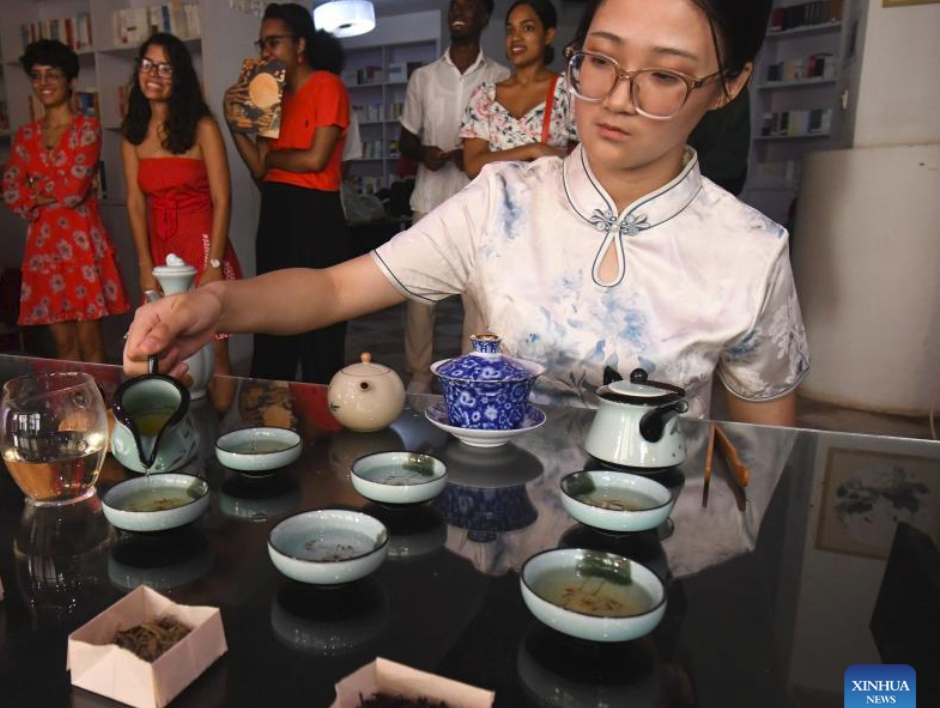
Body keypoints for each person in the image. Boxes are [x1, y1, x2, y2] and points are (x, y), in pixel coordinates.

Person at [125, 0, 809, 427]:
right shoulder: (503, 200)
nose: (617, 98)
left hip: (657, 563)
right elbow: (335, 287)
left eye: (664, 75)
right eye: (599, 61)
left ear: (730, 85)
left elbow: (762, 455)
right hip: (498, 534)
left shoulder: (749, 252)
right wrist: (212, 305)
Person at [222, 3, 351, 385]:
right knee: (273, 319)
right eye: (262, 44)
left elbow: (315, 159)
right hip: (276, 214)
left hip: (316, 216)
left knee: (320, 325)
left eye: (274, 42)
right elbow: (261, 169)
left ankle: (324, 421)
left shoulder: (327, 85)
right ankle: (269, 426)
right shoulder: (268, 99)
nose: (266, 52)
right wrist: (235, 127)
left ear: (300, 45)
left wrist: (275, 157)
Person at [120, 32, 243, 404]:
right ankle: (184, 429)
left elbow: (223, 198)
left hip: (201, 240)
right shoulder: (133, 133)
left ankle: (221, 432)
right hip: (159, 245)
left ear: (181, 76)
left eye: (165, 67)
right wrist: (144, 263)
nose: (153, 74)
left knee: (216, 344)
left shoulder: (202, 127)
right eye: (146, 64)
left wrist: (214, 263)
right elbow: (134, 203)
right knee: (165, 343)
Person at [398, 0, 509, 394]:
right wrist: (423, 152)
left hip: (479, 204)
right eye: (453, 6)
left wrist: (475, 156)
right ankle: (419, 373)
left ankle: (467, 372)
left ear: (484, 17)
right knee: (418, 293)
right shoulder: (424, 78)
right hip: (429, 199)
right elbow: (406, 139)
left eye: (468, 7)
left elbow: (505, 145)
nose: (457, 12)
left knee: (476, 298)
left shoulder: (501, 78)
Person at [1, 39, 129, 362]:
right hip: (43, 251)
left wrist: (35, 188)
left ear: (71, 81)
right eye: (37, 75)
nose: (43, 84)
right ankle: (71, 412)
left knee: (91, 344)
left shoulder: (87, 129)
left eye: (52, 75)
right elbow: (10, 191)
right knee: (62, 348)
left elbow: (73, 190)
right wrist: (40, 191)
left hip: (81, 245)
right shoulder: (25, 135)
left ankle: (100, 409)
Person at [460, 0, 577, 179]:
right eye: (510, 30)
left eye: (527, 28)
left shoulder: (567, 90)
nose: (516, 37)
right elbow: (473, 166)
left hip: (548, 204)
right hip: (496, 206)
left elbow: (588, 160)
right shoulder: (484, 97)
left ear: (548, 35)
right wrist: (532, 149)